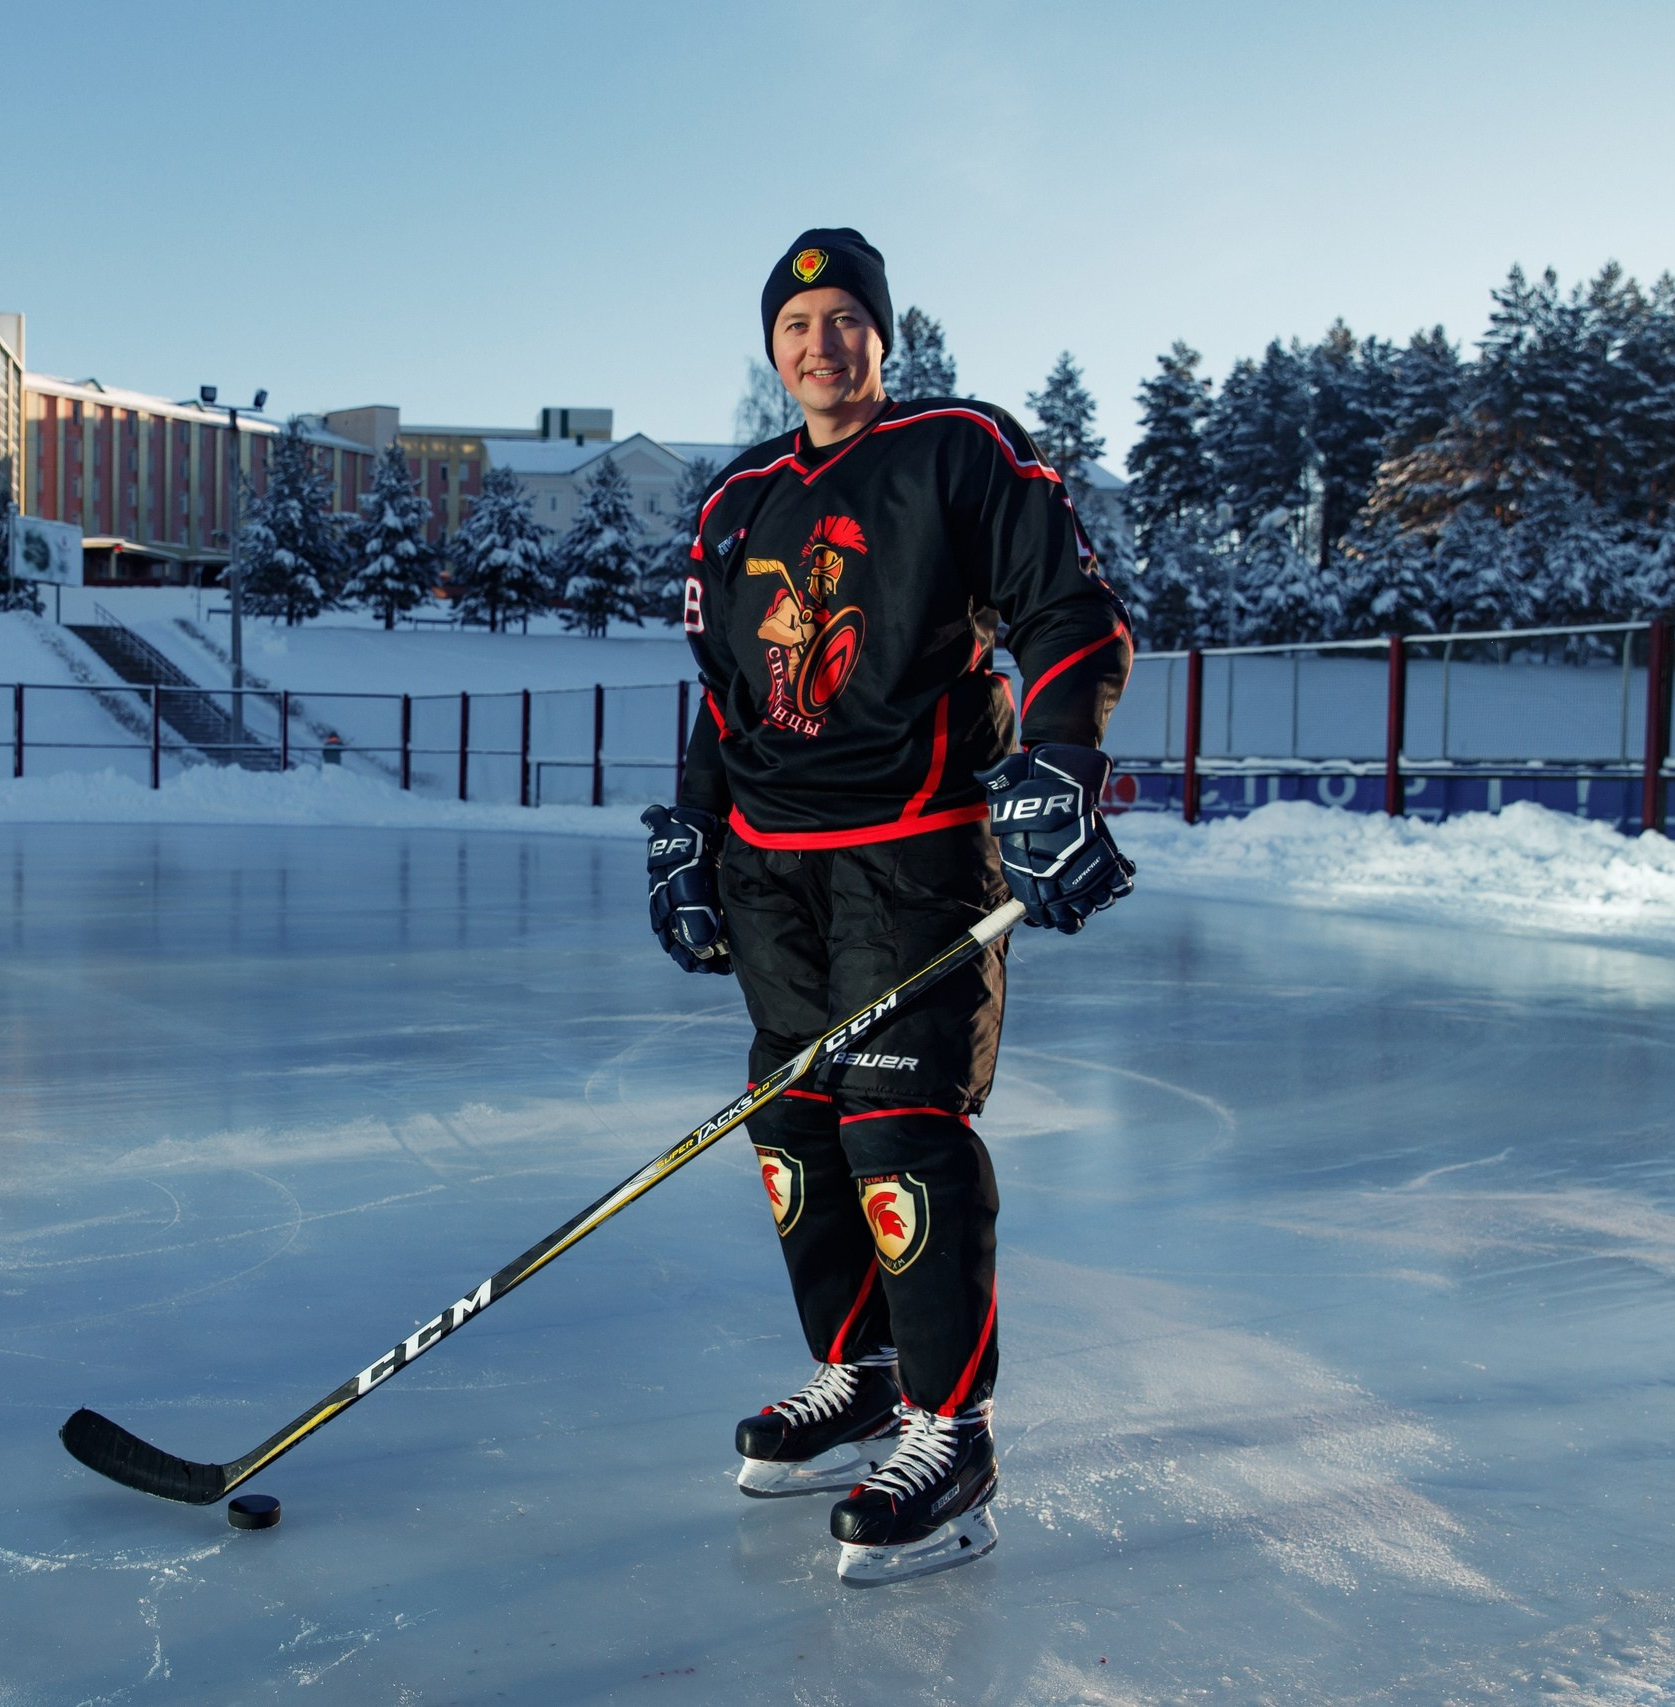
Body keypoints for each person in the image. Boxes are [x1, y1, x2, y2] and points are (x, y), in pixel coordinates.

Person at [642, 227, 1135, 1582]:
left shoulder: (957, 449)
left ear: (881, 334)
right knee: (795, 1128)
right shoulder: (737, 499)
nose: (822, 344)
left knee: (899, 1130)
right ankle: (860, 1380)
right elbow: (725, 696)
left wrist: (1060, 768)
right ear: (773, 349)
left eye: (846, 318)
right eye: (796, 325)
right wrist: (690, 832)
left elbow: (1072, 615)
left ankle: (951, 1431)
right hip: (770, 867)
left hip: (913, 853)